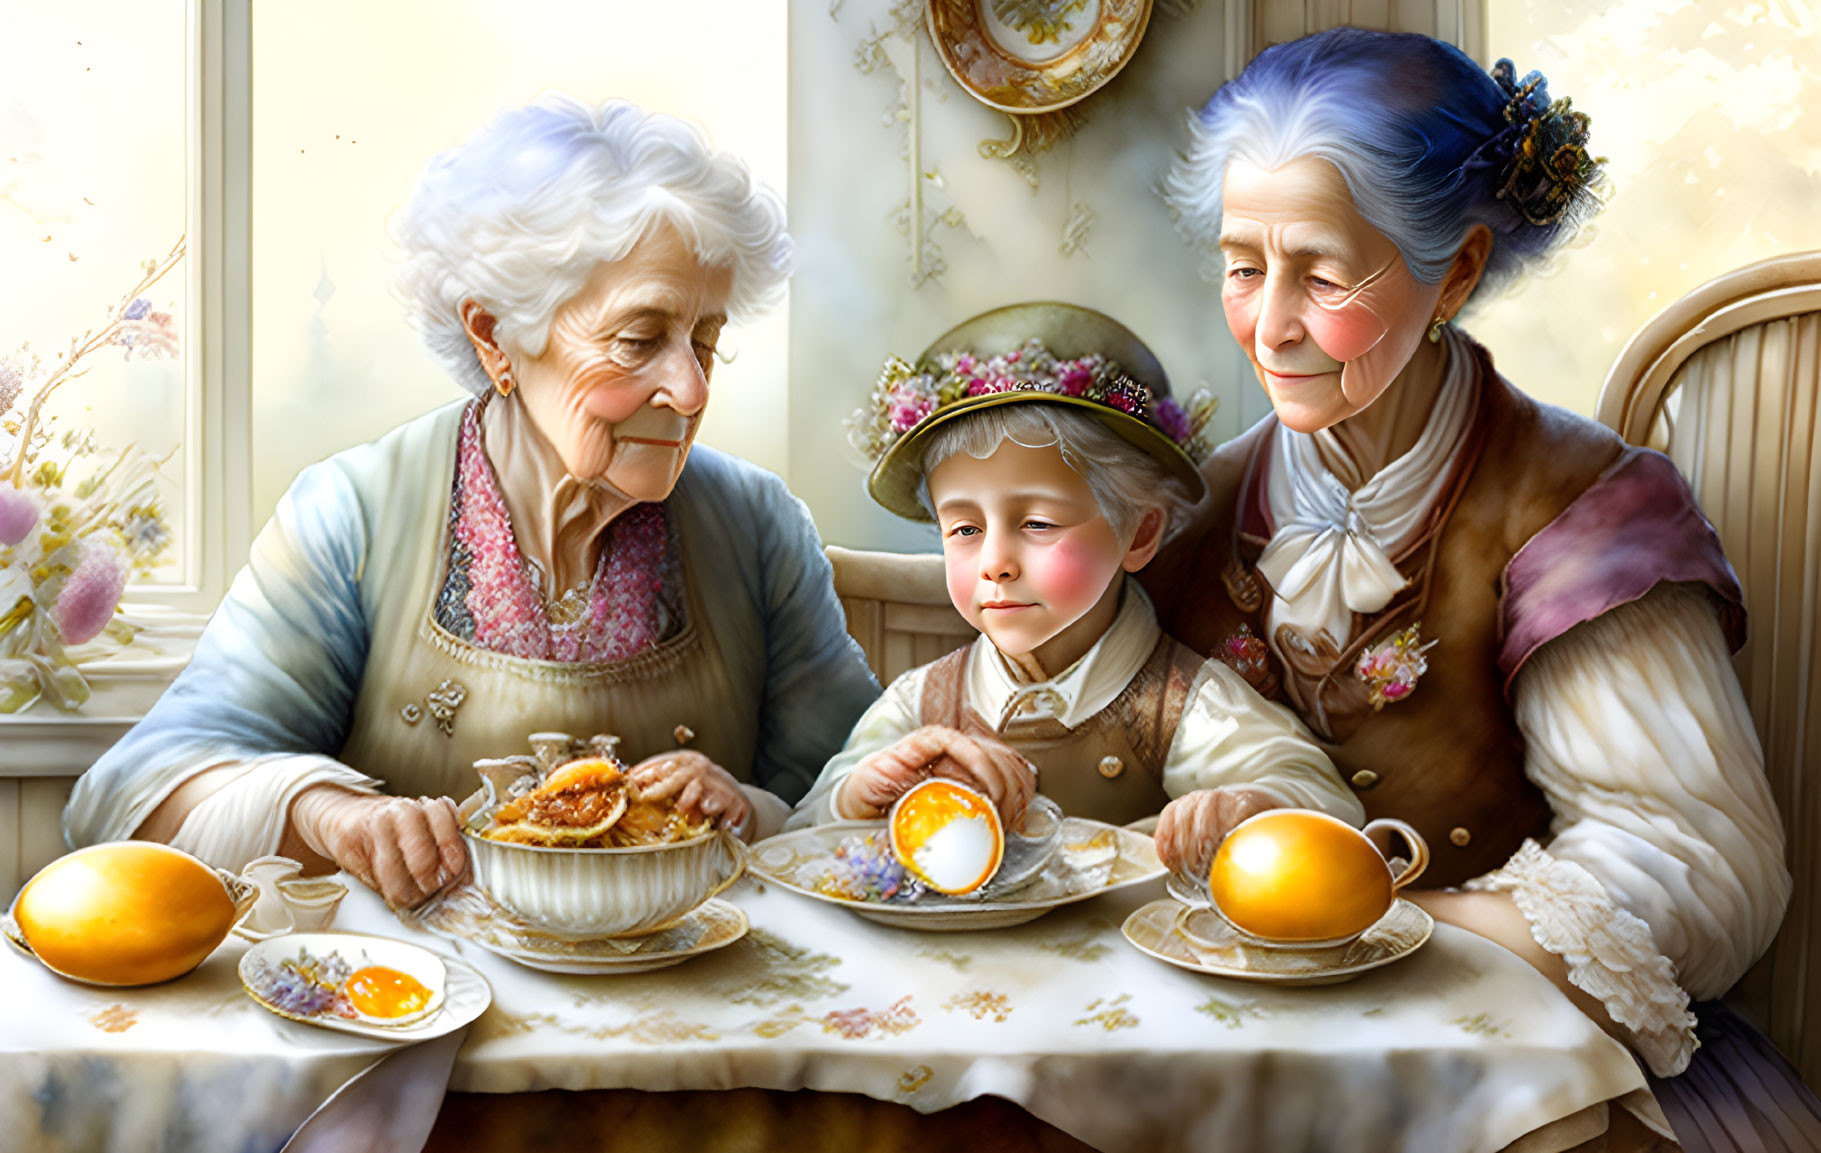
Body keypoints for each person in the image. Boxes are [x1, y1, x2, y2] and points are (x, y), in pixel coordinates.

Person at [1143, 28, 1816, 1149]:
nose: (1270, 326)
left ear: (1453, 267)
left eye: (1320, 271)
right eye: (1243, 266)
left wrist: (1406, 927)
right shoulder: (1195, 506)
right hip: (1233, 1041)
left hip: (1512, 1060)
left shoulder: (1581, 510)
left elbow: (1697, 868)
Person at [64, 95, 879, 908]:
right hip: (423, 1013)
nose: (692, 387)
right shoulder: (355, 514)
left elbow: (851, 777)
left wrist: (755, 808)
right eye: (639, 340)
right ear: (495, 336)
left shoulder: (758, 524)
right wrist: (324, 812)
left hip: (693, 1008)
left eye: (706, 340)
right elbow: (126, 798)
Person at [788, 302, 1362, 867]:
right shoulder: (924, 703)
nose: (995, 563)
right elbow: (801, 834)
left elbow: (1328, 807)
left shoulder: (1178, 703)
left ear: (1138, 533)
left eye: (1037, 524)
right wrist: (856, 794)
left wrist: (1247, 807)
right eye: (964, 528)